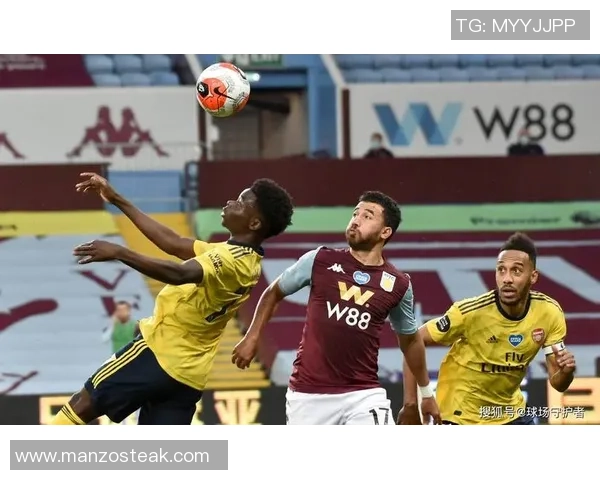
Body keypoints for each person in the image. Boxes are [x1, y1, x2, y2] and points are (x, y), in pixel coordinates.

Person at [49, 172, 294, 425]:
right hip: (188, 377)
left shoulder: (229, 261)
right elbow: (173, 242)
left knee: (81, 405)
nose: (231, 202)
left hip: (157, 353)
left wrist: (120, 252)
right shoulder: (244, 259)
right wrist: (116, 199)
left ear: (254, 223)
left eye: (241, 203)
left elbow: (179, 274)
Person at [232, 191, 441, 425]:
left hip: (364, 394)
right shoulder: (319, 260)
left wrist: (423, 396)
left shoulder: (398, 284)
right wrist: (252, 336)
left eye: (367, 216)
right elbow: (273, 293)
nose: (356, 220)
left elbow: (410, 341)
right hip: (308, 395)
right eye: (355, 214)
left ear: (385, 232)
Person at [399, 232, 576, 425]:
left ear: (533, 277)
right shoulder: (469, 312)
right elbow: (413, 341)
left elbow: (558, 384)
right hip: (460, 414)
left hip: (509, 414)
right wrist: (411, 404)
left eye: (516, 271)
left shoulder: (549, 313)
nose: (507, 279)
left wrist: (566, 372)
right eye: (501, 270)